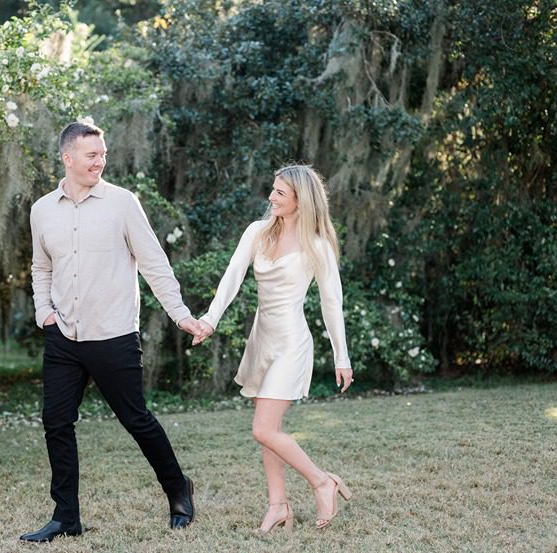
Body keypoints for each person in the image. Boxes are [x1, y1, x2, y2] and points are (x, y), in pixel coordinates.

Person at [21, 121, 202, 543]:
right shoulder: (42, 209)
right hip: (63, 335)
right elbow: (41, 267)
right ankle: (66, 517)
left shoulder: (123, 203)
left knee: (135, 419)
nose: (100, 161)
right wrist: (43, 311)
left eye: (103, 154)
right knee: (56, 423)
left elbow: (154, 263)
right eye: (92, 155)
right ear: (68, 158)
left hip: (114, 334)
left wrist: (180, 315)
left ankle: (178, 489)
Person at [193, 164, 353, 531]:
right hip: (261, 341)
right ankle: (278, 505)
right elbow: (232, 276)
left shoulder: (318, 245)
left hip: (292, 344)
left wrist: (341, 356)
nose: (271, 196)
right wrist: (210, 320)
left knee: (264, 429)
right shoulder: (257, 232)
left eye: (280, 192)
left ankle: (322, 481)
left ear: (301, 200)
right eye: (273, 189)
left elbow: (332, 304)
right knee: (272, 428)